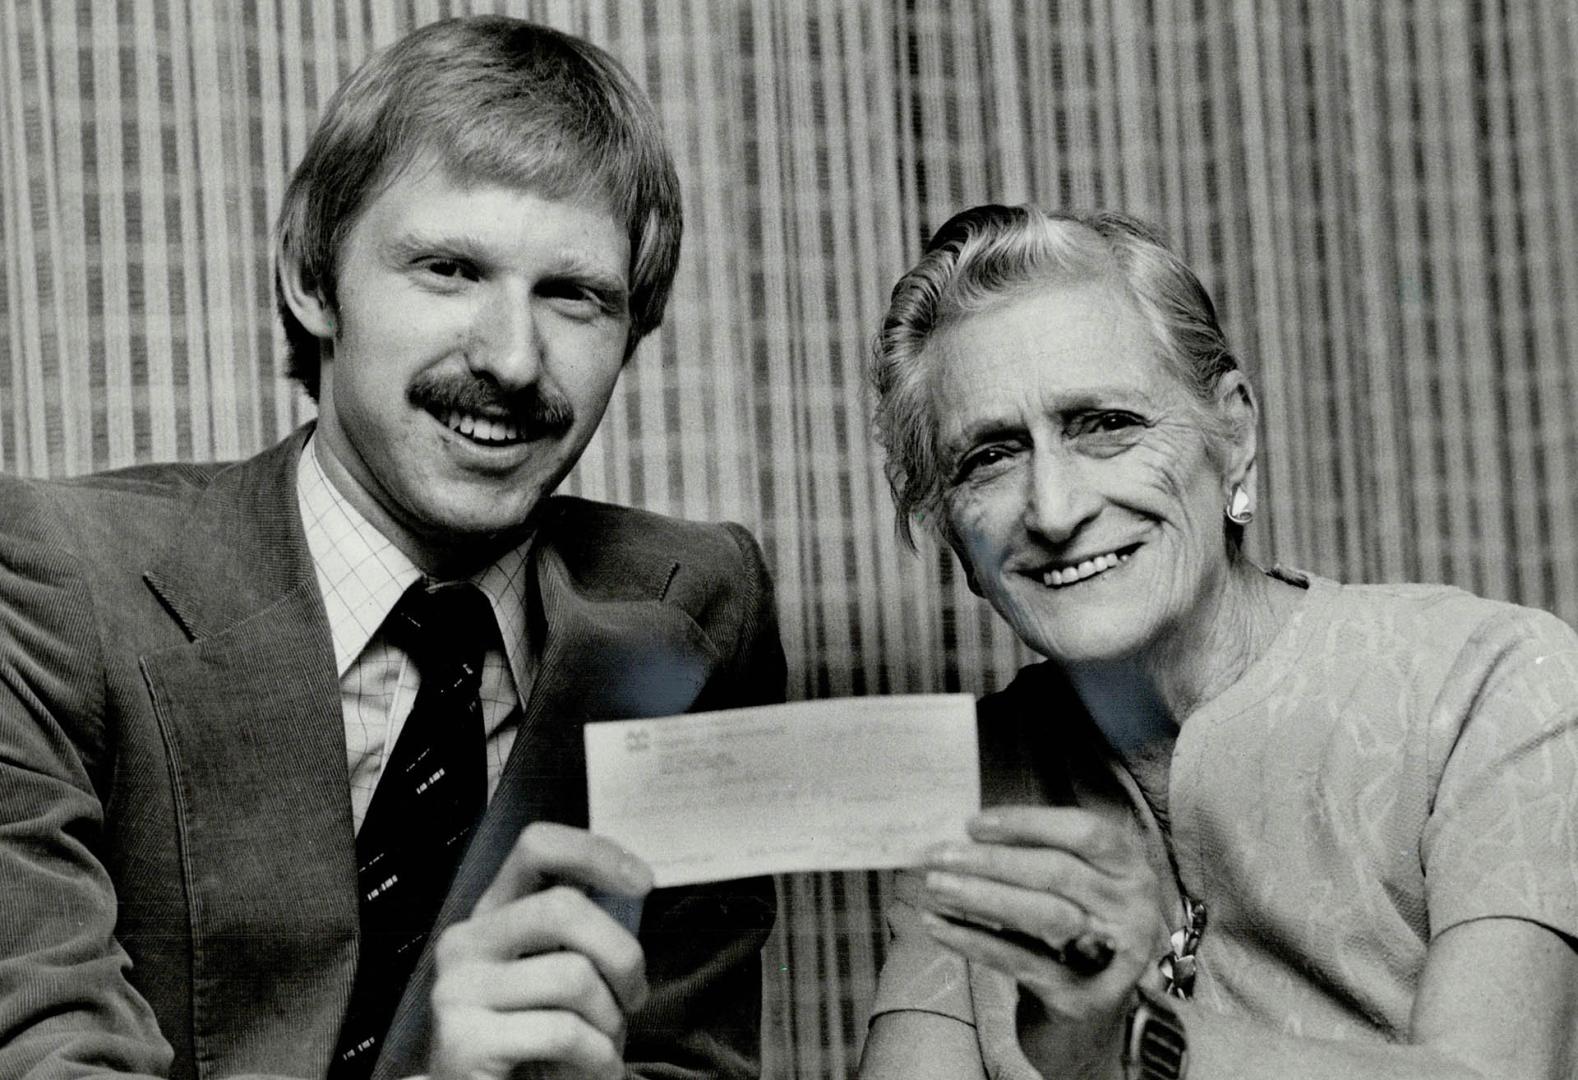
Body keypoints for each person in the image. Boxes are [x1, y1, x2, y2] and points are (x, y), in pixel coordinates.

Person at [0, 16, 783, 1080]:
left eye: (574, 295)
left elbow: (688, 1063)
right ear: (312, 280)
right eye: (450, 268)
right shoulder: (56, 577)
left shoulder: (696, 607)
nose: (511, 358)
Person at [857, 205, 1578, 1079]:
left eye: (1105, 423)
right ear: (953, 541)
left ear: (1232, 436)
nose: (1053, 509)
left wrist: (1134, 1041)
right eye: (989, 458)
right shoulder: (966, 784)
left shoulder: (1491, 682)